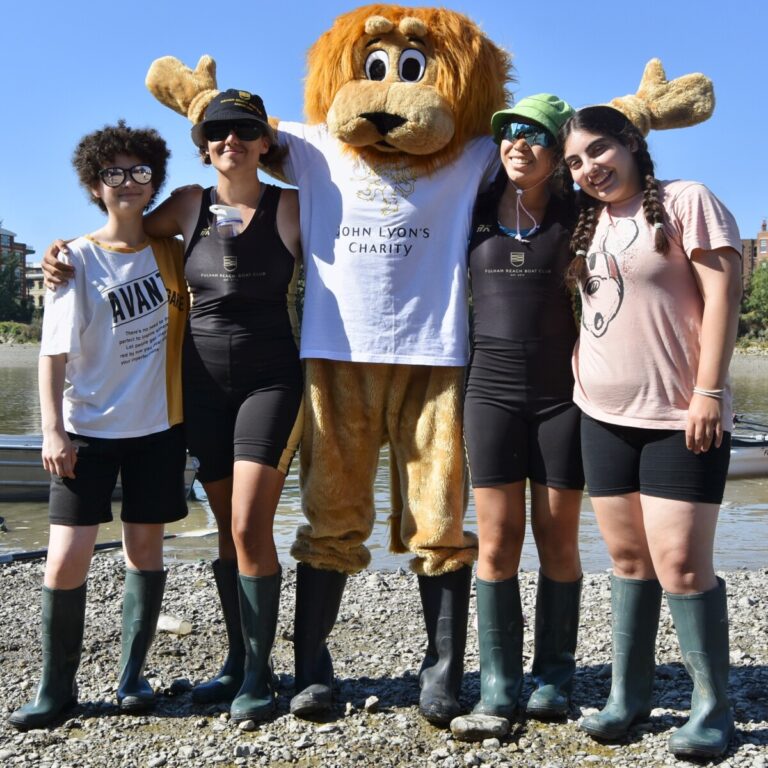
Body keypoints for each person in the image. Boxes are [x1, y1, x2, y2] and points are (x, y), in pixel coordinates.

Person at [42, 90, 304, 724]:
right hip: (201, 391)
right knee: (223, 525)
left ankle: (261, 675)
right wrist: (61, 253)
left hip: (271, 383)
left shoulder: (295, 206)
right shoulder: (189, 204)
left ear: (265, 141)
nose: (230, 141)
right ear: (203, 145)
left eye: (244, 130)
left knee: (247, 526)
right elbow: (124, 236)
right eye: (217, 132)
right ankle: (239, 661)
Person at [561, 105, 741, 759]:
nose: (589, 168)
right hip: (601, 416)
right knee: (629, 561)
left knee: (682, 565)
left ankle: (712, 710)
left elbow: (722, 297)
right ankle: (627, 696)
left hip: (678, 418)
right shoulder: (592, 224)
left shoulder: (687, 200)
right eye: (576, 161)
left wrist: (709, 392)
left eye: (600, 150)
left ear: (634, 145)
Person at [9, 121, 189, 729]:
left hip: (159, 430)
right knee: (65, 559)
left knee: (145, 550)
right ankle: (54, 689)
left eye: (141, 172)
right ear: (94, 186)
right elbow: (51, 356)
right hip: (86, 432)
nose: (129, 183)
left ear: (154, 180)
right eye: (113, 173)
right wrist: (52, 432)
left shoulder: (173, 251)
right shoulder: (74, 260)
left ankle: (132, 677)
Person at [460, 95, 584, 731]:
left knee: (557, 539)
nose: (516, 143)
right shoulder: (473, 209)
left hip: (564, 399)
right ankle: (500, 685)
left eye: (533, 135)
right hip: (490, 393)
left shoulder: (578, 213)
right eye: (508, 133)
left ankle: (554, 679)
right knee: (499, 539)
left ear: (558, 148)